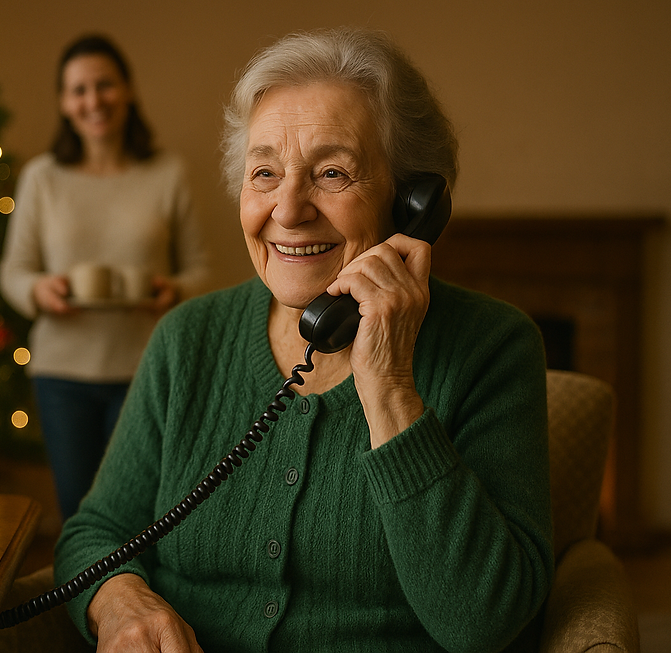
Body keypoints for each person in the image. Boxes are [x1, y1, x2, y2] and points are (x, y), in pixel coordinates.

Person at [53, 27, 554, 652]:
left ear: (411, 203)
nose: (288, 210)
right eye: (264, 172)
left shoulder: (494, 348)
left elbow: (485, 623)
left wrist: (391, 387)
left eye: (332, 173)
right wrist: (122, 602)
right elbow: (95, 531)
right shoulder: (189, 341)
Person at [0, 35, 209, 521]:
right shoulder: (42, 178)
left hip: (145, 369)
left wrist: (174, 291)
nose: (93, 100)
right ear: (64, 103)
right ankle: (85, 599)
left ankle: (133, 599)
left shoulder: (168, 173)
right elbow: (13, 270)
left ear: (128, 90)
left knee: (139, 514)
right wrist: (38, 290)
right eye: (79, 90)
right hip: (62, 372)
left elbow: (202, 269)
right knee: (79, 510)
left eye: (105, 85)